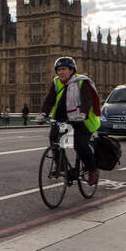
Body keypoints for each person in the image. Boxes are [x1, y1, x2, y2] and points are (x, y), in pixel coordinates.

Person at [39, 56, 101, 185]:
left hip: (82, 121)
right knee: (54, 138)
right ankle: (60, 165)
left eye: (64, 69)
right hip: (62, 118)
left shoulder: (81, 81)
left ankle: (92, 170)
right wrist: (43, 113)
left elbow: (87, 100)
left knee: (80, 145)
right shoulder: (56, 82)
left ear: (72, 70)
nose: (61, 72)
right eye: (59, 70)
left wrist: (82, 114)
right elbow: (50, 99)